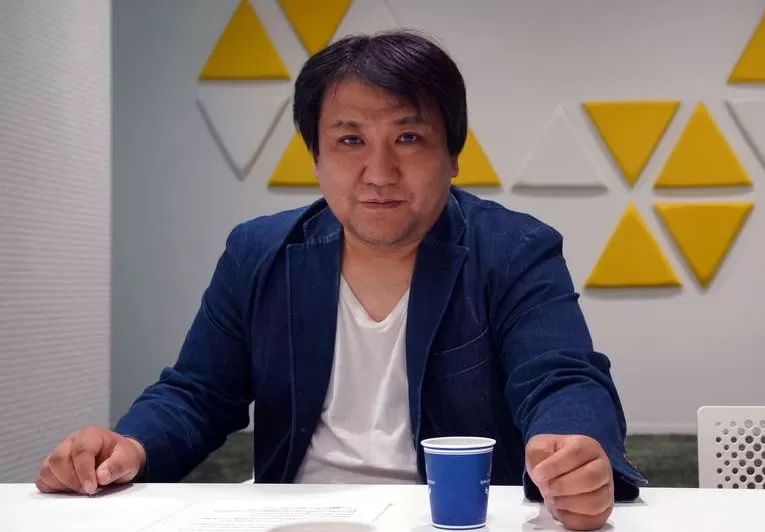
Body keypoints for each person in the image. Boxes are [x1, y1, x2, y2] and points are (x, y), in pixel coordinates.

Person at [34, 30, 646, 530]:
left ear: (453, 155)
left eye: (409, 137)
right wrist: (130, 446)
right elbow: (198, 393)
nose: (379, 171)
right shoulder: (259, 252)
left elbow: (562, 376)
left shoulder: (513, 250)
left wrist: (573, 451)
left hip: (450, 521)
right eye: (350, 140)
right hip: (297, 519)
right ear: (316, 157)